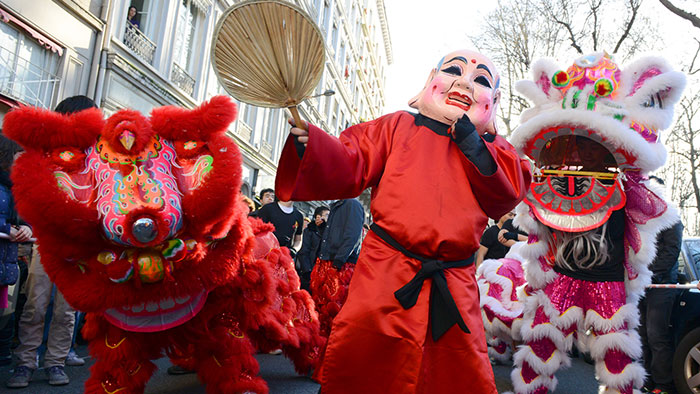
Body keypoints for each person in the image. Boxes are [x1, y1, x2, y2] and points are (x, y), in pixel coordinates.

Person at [275, 49, 530, 393]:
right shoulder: (395, 126)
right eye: (453, 71)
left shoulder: (494, 149)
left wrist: (474, 144)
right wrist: (314, 146)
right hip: (385, 273)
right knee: (366, 366)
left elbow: (507, 193)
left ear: (494, 100)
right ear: (431, 80)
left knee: (455, 373)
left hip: (454, 283)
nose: (464, 82)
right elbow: (352, 159)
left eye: (480, 80)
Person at [7, 96, 98, 388]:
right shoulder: (42, 152)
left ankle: (56, 362)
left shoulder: (93, 157)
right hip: (43, 242)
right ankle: (25, 362)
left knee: (67, 308)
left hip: (77, 245)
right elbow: (25, 193)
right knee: (35, 302)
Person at [639, 186, 683, 394]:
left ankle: (663, 384)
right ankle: (646, 380)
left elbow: (671, 253)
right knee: (642, 335)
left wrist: (650, 274)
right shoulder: (641, 221)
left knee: (657, 335)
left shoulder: (672, 220)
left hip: (662, 285)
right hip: (641, 285)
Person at [0, 135, 33, 367]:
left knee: (4, 319)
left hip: (6, 271)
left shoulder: (15, 189)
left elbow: (26, 220)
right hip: (7, 267)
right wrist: (5, 229)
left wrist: (25, 229)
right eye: (17, 159)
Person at [309, 199, 364, 337]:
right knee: (322, 308)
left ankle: (332, 348)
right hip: (328, 263)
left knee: (335, 310)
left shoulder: (352, 205)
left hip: (340, 266)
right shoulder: (337, 206)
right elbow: (334, 237)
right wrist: (322, 228)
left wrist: (338, 262)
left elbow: (352, 237)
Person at [296, 206, 329, 291]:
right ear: (318, 217)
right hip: (309, 271)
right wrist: (307, 271)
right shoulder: (309, 230)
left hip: (323, 273)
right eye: (327, 215)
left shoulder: (329, 231)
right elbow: (304, 251)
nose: (329, 217)